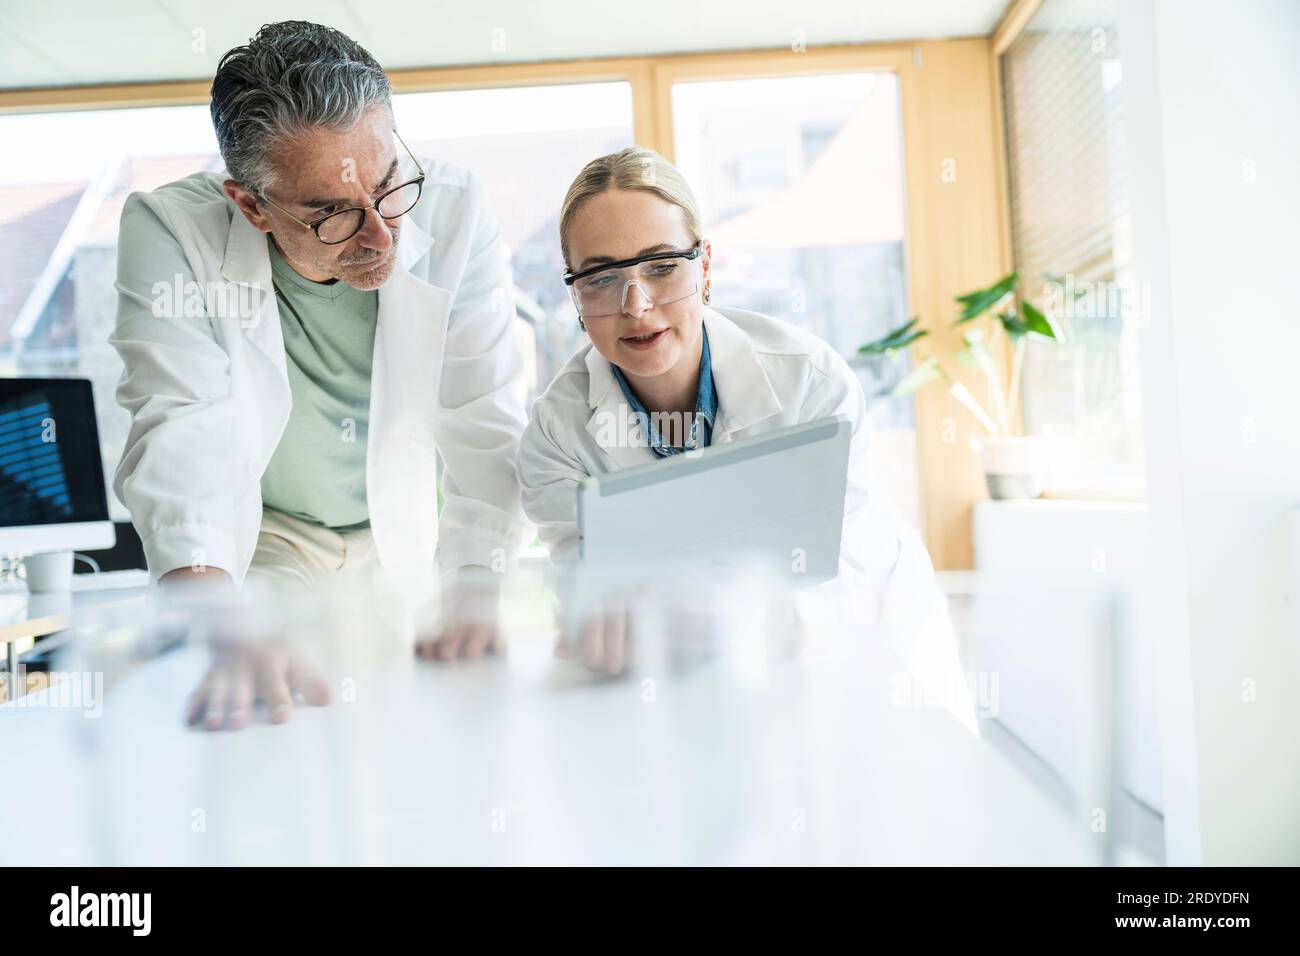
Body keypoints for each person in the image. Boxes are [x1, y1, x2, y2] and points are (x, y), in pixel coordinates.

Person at [111, 22, 529, 728]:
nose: (382, 235)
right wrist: (221, 625)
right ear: (251, 206)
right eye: (332, 214)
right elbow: (181, 427)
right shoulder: (170, 231)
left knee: (429, 739)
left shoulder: (454, 209)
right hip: (272, 538)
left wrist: (477, 593)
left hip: (404, 527)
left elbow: (484, 421)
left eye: (390, 184)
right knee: (268, 732)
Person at [518, 146, 952, 676]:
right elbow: (591, 597)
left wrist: (724, 615)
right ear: (575, 294)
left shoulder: (809, 381)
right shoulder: (556, 436)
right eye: (602, 277)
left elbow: (846, 568)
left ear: (703, 267)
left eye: (660, 267)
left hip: (863, 652)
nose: (636, 305)